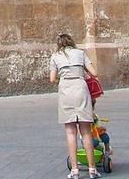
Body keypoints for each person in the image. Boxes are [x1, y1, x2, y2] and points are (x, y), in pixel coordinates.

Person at [48, 31, 99, 179]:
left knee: (71, 132)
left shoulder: (55, 57)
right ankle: (92, 169)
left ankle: (75, 170)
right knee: (86, 131)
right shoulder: (80, 53)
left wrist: (63, 78)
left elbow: (52, 79)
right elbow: (94, 72)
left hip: (66, 90)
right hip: (81, 89)